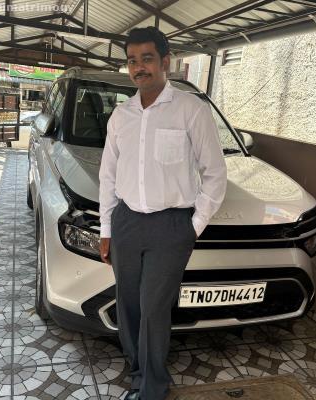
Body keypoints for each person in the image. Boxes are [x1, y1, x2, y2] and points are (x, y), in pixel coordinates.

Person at [99, 26, 227, 400]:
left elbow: (215, 173)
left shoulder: (191, 110)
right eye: (132, 61)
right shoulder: (121, 115)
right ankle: (138, 372)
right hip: (126, 222)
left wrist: (193, 226)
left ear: (165, 61)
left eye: (147, 58)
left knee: (153, 309)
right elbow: (108, 175)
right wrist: (107, 228)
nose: (139, 67)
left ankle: (152, 389)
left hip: (170, 226)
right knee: (129, 306)